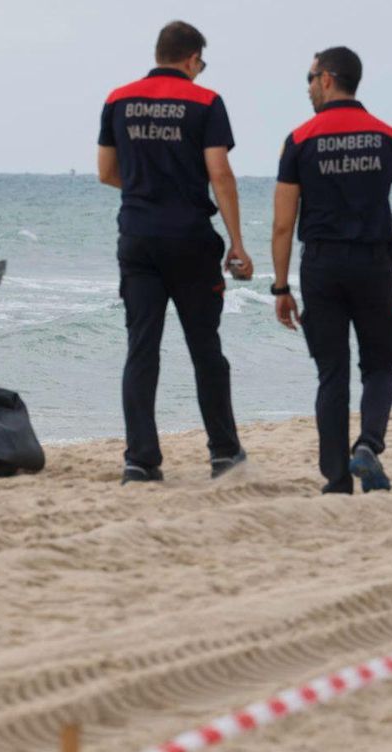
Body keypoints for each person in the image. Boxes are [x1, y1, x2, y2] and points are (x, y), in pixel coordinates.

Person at [271, 46, 392, 494]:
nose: (306, 87)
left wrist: (280, 286)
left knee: (331, 373)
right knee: (380, 367)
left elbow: (283, 224)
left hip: (321, 266)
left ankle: (337, 481)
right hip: (373, 263)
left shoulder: (299, 139)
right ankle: (368, 445)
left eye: (308, 77)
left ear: (326, 78)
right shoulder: (386, 135)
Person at [97, 20, 252, 485]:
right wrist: (238, 244)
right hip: (189, 239)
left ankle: (140, 461)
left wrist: (149, 187)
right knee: (206, 350)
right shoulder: (206, 102)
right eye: (200, 63)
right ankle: (224, 453)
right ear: (191, 58)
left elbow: (106, 171)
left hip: (138, 238)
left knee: (141, 349)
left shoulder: (118, 99)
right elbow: (220, 174)